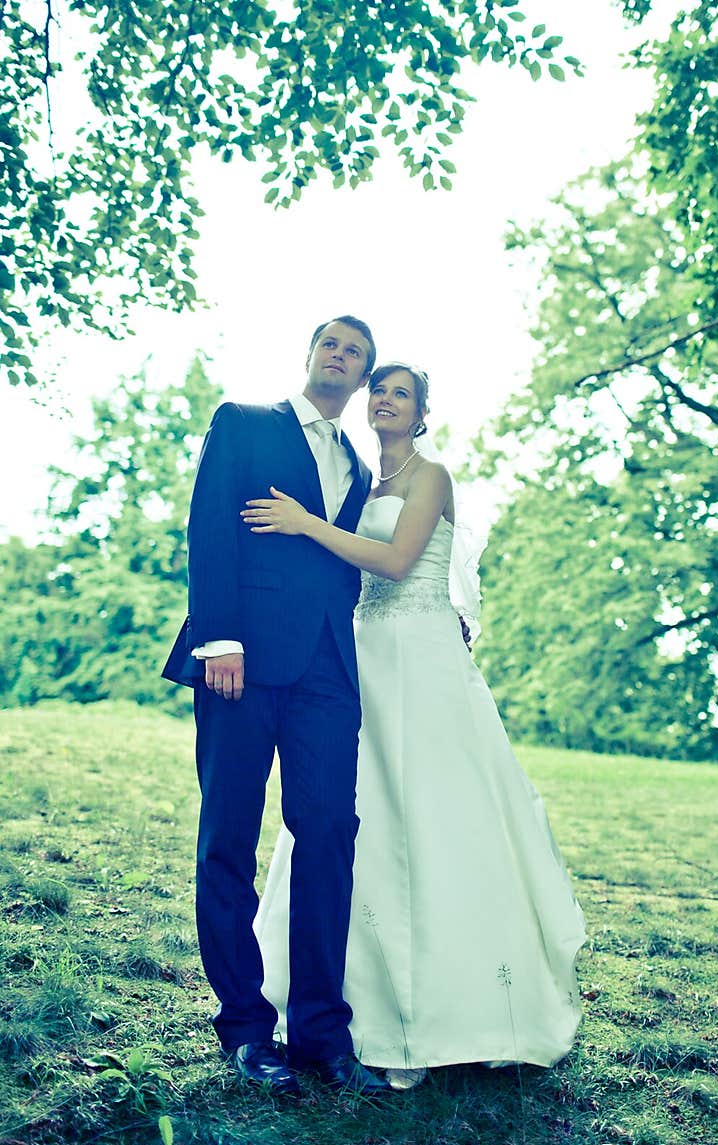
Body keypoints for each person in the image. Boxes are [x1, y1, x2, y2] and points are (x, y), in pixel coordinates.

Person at [244, 362, 586, 1090]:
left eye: (401, 393)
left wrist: (304, 525)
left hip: (422, 657)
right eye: (380, 390)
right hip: (361, 657)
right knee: (348, 814)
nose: (385, 401)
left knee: (438, 813)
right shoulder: (358, 486)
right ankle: (347, 1002)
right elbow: (341, 575)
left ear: (421, 412)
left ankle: (461, 1006)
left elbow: (398, 562)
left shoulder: (430, 477)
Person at [161, 315, 390, 1098]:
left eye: (356, 352)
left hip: (329, 672)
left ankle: (322, 1033)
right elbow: (209, 527)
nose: (341, 356)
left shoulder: (360, 468)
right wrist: (219, 636)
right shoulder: (244, 422)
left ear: (364, 380)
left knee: (329, 833)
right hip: (242, 660)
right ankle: (247, 1030)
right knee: (228, 835)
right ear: (311, 354)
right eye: (332, 343)